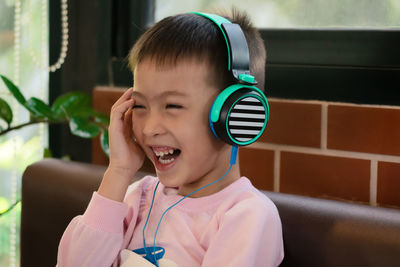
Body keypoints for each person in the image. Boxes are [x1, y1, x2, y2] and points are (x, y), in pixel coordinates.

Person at [57, 8, 284, 267]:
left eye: (173, 106)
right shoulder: (139, 196)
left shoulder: (246, 216)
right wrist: (119, 171)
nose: (150, 128)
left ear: (235, 114)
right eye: (140, 106)